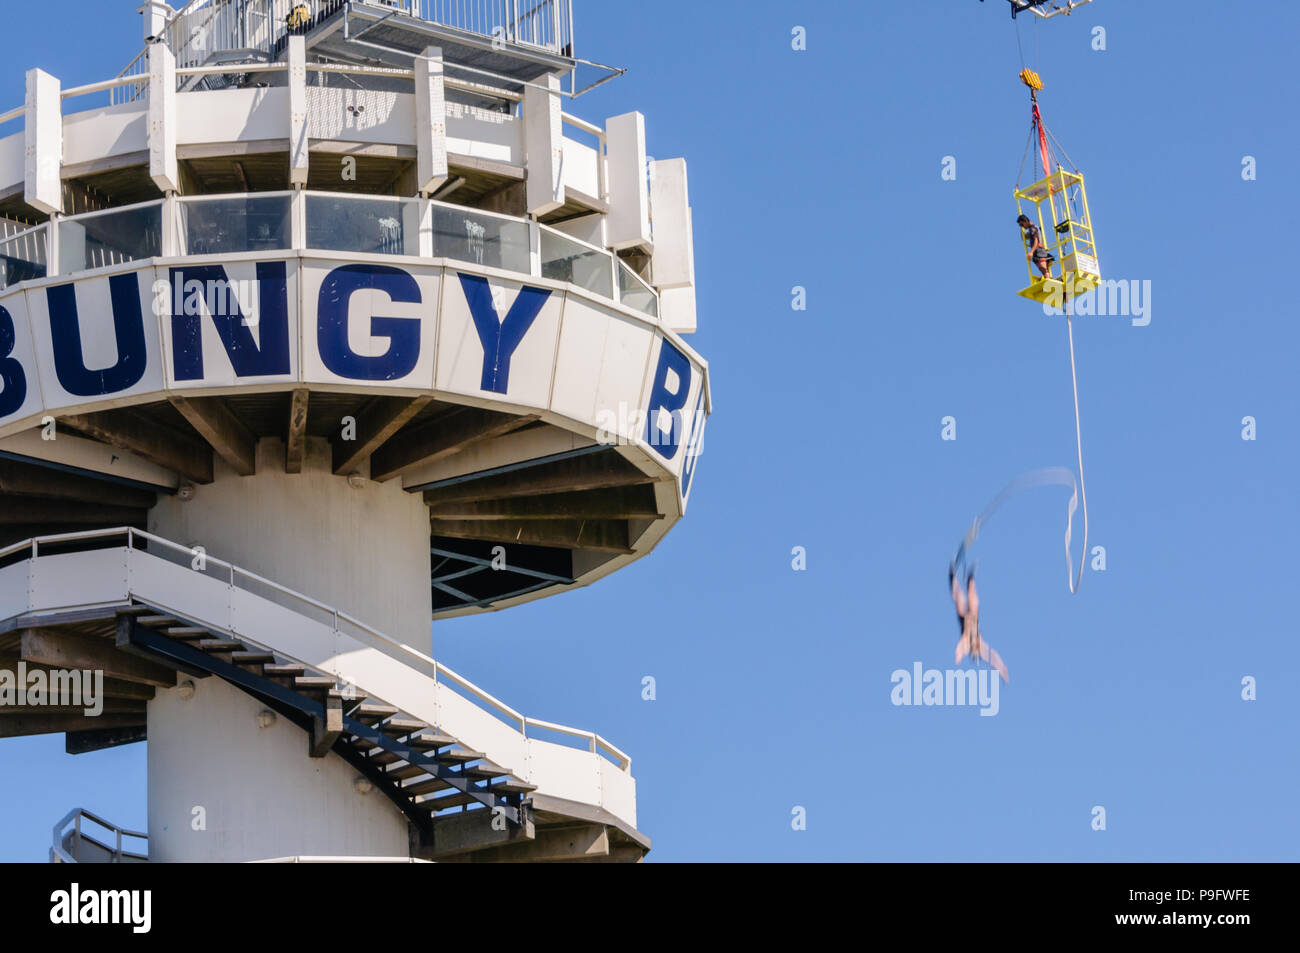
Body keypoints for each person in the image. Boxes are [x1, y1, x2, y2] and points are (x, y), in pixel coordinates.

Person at [950, 566, 1009, 683]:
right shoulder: (981, 648)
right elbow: (993, 658)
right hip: (972, 617)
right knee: (973, 601)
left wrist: (958, 656)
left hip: (964, 619)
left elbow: (960, 649)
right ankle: (970, 579)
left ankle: (954, 579)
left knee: (960, 601)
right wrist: (1002, 669)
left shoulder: (968, 647)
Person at [1017, 213, 1054, 280]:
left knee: (1042, 267)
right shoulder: (1034, 228)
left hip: (1038, 250)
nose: (1023, 226)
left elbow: (1036, 241)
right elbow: (1024, 237)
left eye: (1022, 224)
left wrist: (1031, 252)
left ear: (1026, 221)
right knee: (1041, 267)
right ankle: (1047, 278)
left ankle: (1048, 279)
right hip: (1038, 250)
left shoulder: (1033, 229)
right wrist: (1021, 229)